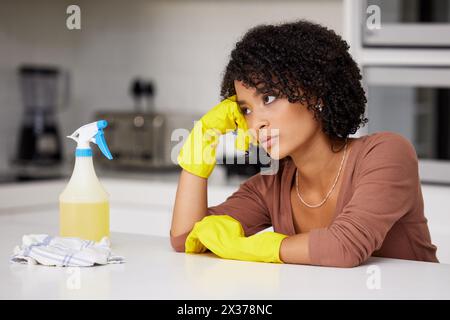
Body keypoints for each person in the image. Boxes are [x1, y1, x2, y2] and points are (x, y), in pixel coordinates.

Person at [170, 19, 438, 268]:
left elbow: (344, 247)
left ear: (316, 92)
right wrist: (203, 137)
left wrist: (247, 247)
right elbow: (186, 238)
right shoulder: (272, 183)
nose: (256, 124)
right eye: (246, 110)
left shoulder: (386, 154)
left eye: (268, 98)